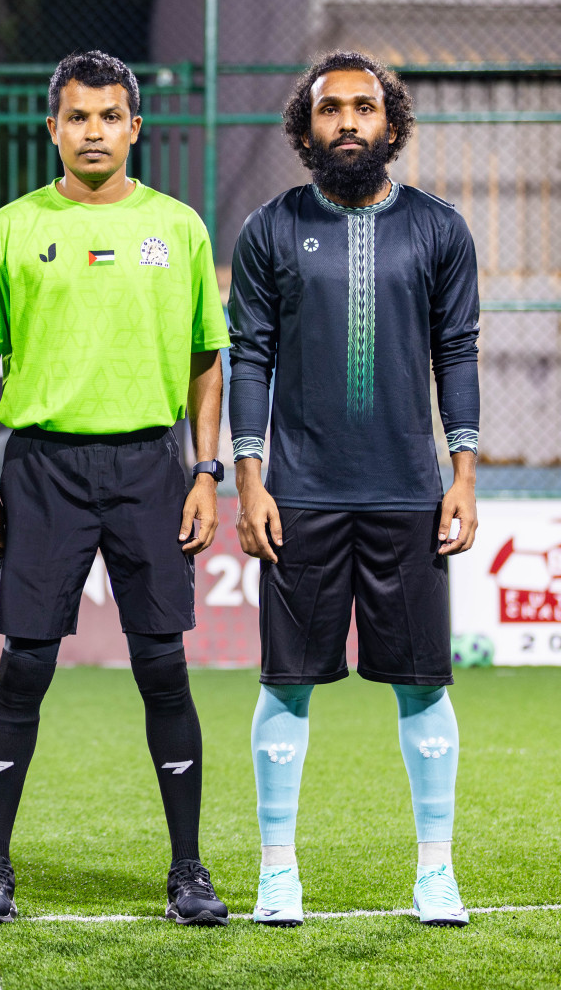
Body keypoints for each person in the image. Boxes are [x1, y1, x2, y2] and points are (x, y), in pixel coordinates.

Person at [0, 50, 231, 927]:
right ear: (53, 128)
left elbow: (204, 360)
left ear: (134, 127)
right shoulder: (8, 229)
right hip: (41, 467)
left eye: (110, 116)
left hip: (151, 467)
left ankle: (188, 869)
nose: (93, 132)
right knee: (25, 665)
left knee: (162, 665)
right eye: (77, 117)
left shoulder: (178, 228)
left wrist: (203, 469)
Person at [229, 50, 479, 928]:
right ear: (305, 127)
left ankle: (436, 872)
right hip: (299, 495)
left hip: (410, 492)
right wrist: (250, 479)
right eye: (329, 109)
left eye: (363, 108)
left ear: (391, 124)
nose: (346, 122)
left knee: (422, 686)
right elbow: (249, 357)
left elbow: (458, 353)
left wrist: (463, 475)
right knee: (286, 683)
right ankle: (276, 871)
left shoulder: (439, 229)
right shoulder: (268, 228)